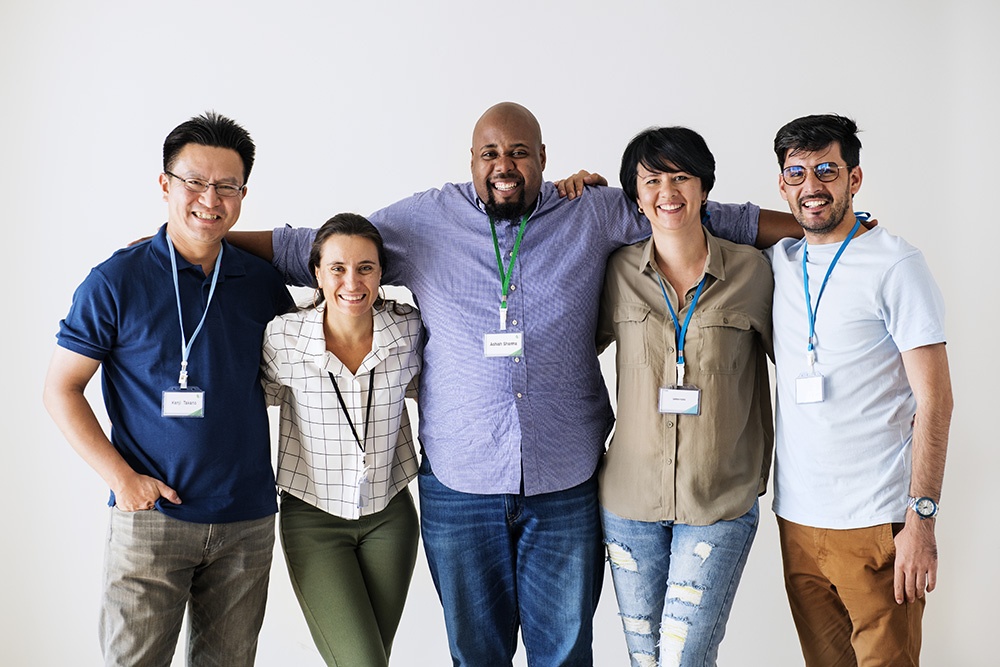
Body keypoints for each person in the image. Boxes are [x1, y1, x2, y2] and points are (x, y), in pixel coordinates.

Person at [229, 102, 797, 666]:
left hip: (565, 482)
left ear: (544, 158)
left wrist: (821, 225)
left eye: (520, 153)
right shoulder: (423, 222)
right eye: (491, 153)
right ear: (471, 160)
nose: (505, 165)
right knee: (477, 655)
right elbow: (311, 248)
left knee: (565, 652)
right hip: (460, 487)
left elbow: (702, 213)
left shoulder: (591, 211)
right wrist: (204, 244)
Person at [42, 112, 293, 666]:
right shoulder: (115, 280)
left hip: (246, 520)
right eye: (195, 183)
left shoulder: (261, 283)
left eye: (227, 186)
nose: (211, 198)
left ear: (243, 194)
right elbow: (61, 388)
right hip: (153, 518)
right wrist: (123, 481)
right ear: (165, 185)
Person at [766, 114, 953, 666]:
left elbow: (936, 400)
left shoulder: (896, 264)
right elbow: (698, 214)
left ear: (855, 178)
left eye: (827, 169)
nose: (812, 186)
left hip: (878, 521)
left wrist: (921, 520)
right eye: (796, 173)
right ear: (782, 184)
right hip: (797, 520)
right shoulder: (782, 260)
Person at [596, 127, 773, 667]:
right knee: (645, 661)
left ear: (703, 188)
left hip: (717, 501)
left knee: (683, 658)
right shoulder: (616, 271)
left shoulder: (754, 271)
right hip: (630, 504)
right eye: (651, 180)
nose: (667, 191)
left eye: (680, 177)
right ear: (635, 194)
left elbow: (804, 361)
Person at [261, 213, 422, 667]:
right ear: (316, 272)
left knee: (369, 660)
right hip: (313, 520)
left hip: (390, 518)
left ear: (381, 273)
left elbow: (439, 394)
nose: (352, 281)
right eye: (338, 268)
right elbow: (254, 405)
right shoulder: (284, 338)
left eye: (365, 267)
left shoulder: (408, 332)